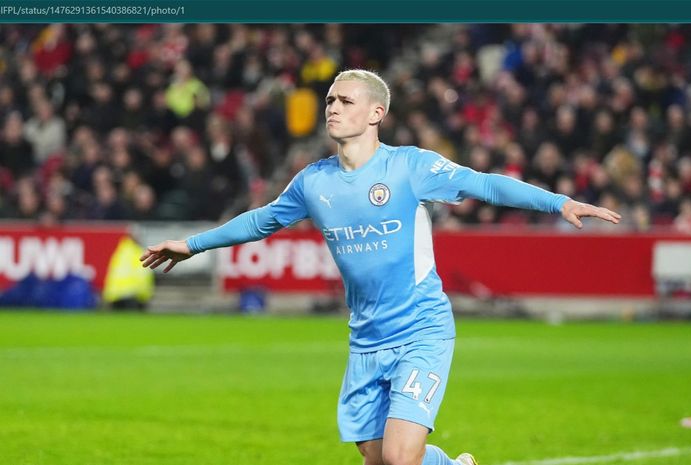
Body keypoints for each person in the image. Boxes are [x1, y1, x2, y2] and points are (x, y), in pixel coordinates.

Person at [141, 69, 621, 465]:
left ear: (376, 113)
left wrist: (559, 202)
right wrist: (192, 244)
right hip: (365, 338)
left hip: (421, 329)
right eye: (330, 99)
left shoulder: (410, 167)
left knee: (398, 458)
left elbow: (487, 185)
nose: (332, 107)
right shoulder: (314, 182)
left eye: (345, 100)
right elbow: (263, 220)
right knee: (377, 458)